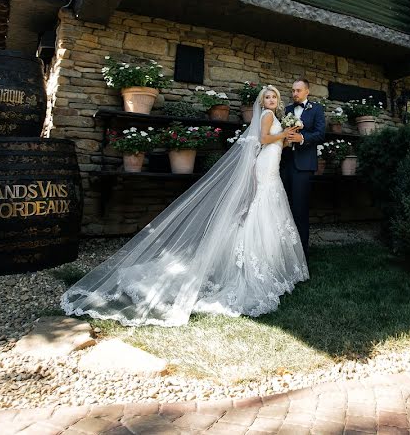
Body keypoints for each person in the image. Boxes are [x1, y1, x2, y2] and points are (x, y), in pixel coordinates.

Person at [61, 85, 309, 326]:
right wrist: (282, 135)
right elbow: (265, 139)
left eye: (274, 97)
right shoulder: (266, 116)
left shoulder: (275, 117)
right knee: (262, 204)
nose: (271, 101)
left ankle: (270, 260)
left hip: (272, 162)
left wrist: (290, 136)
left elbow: (277, 143)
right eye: (267, 97)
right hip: (264, 165)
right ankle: (256, 261)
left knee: (268, 204)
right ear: (262, 102)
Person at [280, 79, 326, 259]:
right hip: (285, 163)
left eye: (298, 90)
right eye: (292, 91)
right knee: (283, 207)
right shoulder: (287, 111)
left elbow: (320, 134)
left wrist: (302, 138)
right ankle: (284, 250)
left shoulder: (316, 109)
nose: (295, 94)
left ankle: (302, 254)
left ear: (307, 91)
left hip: (304, 166)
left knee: (300, 209)